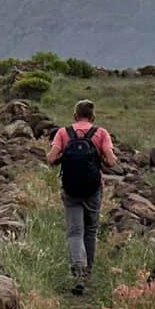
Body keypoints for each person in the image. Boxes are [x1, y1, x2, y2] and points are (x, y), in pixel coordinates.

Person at [45, 99, 120, 292]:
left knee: (74, 231)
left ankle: (77, 270)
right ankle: (87, 273)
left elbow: (51, 158)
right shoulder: (101, 133)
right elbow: (111, 162)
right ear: (93, 116)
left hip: (70, 188)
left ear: (74, 116)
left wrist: (65, 157)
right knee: (90, 231)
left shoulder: (63, 132)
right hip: (93, 189)